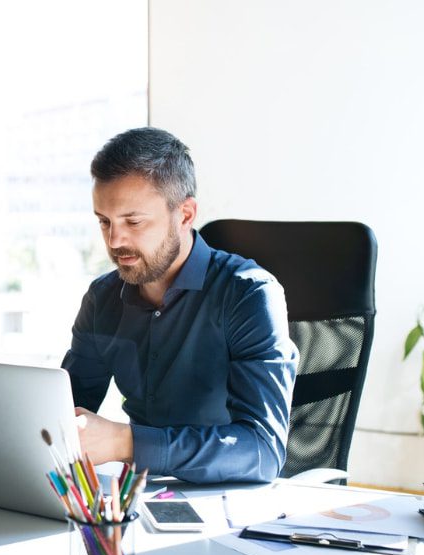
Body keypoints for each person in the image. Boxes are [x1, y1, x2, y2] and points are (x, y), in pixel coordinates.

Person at [63, 127, 298, 484]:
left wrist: (126, 442)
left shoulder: (249, 295)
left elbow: (262, 452)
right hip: (141, 497)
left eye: (133, 221)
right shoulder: (102, 299)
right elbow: (63, 412)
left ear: (185, 214)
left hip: (233, 503)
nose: (115, 240)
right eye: (104, 221)